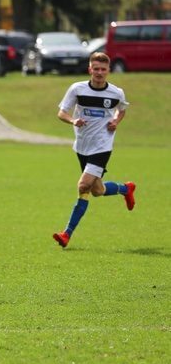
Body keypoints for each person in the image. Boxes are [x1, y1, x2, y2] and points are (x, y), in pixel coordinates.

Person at [52, 52, 136, 248]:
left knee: (83, 186)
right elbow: (61, 113)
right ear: (90, 69)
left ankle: (66, 234)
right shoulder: (77, 89)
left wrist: (116, 121)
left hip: (102, 145)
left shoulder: (116, 93)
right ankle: (126, 188)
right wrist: (73, 120)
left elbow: (122, 109)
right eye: (95, 69)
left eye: (103, 69)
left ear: (108, 71)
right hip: (82, 146)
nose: (99, 72)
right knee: (98, 190)